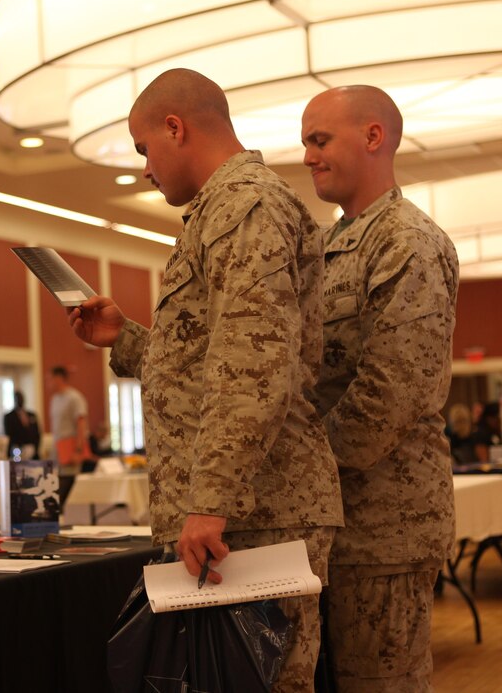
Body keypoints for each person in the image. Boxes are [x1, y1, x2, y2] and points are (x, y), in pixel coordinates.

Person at [69, 68, 343, 691]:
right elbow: (206, 358)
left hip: (255, 510)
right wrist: (130, 339)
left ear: (175, 127)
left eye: (144, 150)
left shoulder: (245, 206)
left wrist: (210, 501)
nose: (144, 169)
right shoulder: (218, 212)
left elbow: (253, 364)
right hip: (240, 510)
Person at [301, 84, 459, 691]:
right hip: (329, 525)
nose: (309, 157)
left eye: (320, 140)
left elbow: (388, 398)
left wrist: (297, 469)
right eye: (306, 143)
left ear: (373, 137)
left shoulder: (407, 243)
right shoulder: (325, 247)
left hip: (384, 529)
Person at [49, 366, 90, 470]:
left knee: (70, 482)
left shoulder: (74, 397)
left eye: (50, 378)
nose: (48, 382)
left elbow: (81, 424)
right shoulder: (54, 399)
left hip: (71, 449)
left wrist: (78, 451)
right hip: (58, 449)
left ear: (58, 378)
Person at [3, 390, 41, 459]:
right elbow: (9, 434)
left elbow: (37, 433)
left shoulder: (31, 415)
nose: (20, 400)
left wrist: (35, 448)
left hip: (32, 450)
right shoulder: (9, 417)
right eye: (17, 398)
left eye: (21, 398)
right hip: (16, 450)